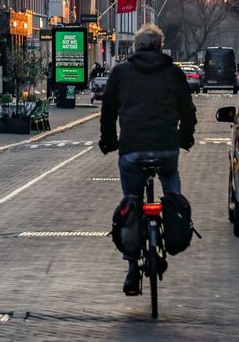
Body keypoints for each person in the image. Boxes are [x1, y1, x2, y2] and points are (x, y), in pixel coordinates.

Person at [99, 22, 196, 296]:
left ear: (136, 47)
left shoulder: (121, 72)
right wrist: (185, 138)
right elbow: (188, 110)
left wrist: (109, 141)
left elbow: (108, 111)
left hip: (133, 148)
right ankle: (172, 218)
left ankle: (132, 267)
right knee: (171, 185)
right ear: (160, 46)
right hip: (166, 148)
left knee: (132, 200)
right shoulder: (174, 72)